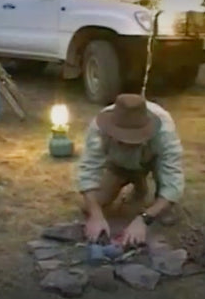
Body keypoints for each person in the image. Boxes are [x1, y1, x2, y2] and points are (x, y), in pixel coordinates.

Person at [77, 94, 184, 247]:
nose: (128, 143)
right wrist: (96, 215)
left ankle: (150, 195)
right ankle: (136, 181)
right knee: (92, 205)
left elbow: (173, 183)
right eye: (123, 140)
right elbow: (88, 171)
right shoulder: (99, 128)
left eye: (133, 141)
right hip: (117, 164)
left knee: (163, 210)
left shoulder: (164, 131)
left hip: (151, 162)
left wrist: (144, 219)